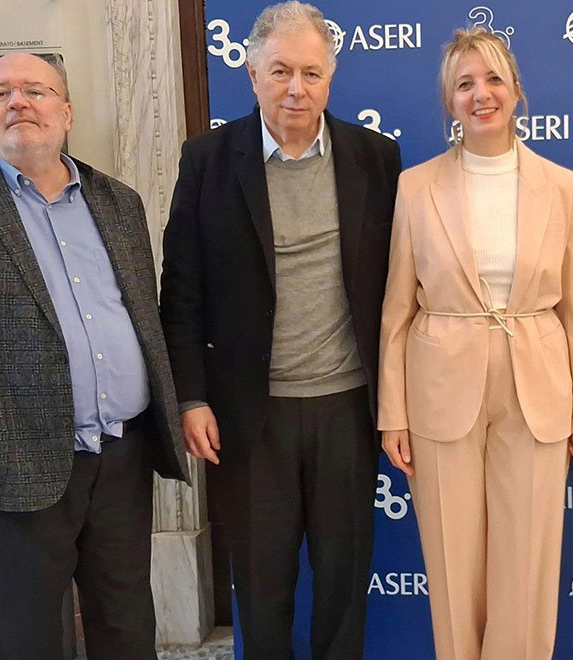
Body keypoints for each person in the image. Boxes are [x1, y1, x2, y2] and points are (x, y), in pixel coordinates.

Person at [0, 52, 187, 659]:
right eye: (0, 93)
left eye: (35, 90)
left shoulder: (119, 202)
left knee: (127, 626)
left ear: (66, 112)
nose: (17, 102)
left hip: (122, 456)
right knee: (31, 639)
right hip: (11, 467)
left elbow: (143, 318)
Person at [159, 2, 401, 657]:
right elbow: (181, 292)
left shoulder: (377, 159)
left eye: (311, 73)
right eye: (281, 71)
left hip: (348, 408)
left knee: (344, 584)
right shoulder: (208, 160)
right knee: (262, 588)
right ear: (252, 73)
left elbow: (401, 288)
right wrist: (191, 396)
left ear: (331, 77)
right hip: (249, 416)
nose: (297, 88)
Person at [378, 27, 573, 660]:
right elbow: (397, 308)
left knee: (527, 560)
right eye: (465, 84)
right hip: (439, 389)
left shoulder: (563, 186)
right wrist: (392, 412)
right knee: (453, 560)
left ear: (517, 91)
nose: (482, 95)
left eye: (494, 79)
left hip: (538, 388)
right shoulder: (416, 186)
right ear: (449, 101)